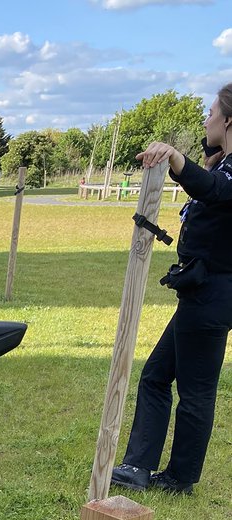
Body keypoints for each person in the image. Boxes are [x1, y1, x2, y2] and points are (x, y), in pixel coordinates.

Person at [111, 84, 232, 496]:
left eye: (211, 113)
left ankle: (178, 478)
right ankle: (139, 466)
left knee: (194, 390)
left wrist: (178, 159)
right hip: (202, 295)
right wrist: (196, 156)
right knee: (157, 376)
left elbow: (214, 190)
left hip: (212, 296)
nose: (206, 119)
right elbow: (209, 183)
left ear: (229, 120)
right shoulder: (223, 164)